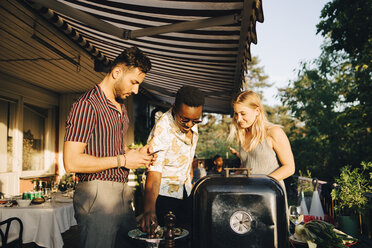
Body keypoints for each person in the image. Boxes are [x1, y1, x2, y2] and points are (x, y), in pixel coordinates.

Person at [63, 46, 155, 248]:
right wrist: (123, 160)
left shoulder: (120, 107)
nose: (136, 90)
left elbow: (117, 151)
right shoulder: (87, 105)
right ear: (116, 72)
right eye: (134, 82)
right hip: (98, 196)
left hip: (123, 195)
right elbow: (71, 162)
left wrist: (134, 155)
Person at [139, 86, 205, 235]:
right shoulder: (163, 129)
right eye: (185, 119)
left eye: (195, 121)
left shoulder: (191, 121)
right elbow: (154, 172)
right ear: (174, 108)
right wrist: (149, 210)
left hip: (185, 193)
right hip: (163, 197)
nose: (189, 125)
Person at [228, 90, 295, 190]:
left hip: (270, 194)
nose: (238, 119)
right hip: (248, 193)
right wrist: (231, 177)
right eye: (236, 114)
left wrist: (261, 184)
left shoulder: (274, 132)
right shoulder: (242, 135)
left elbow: (289, 168)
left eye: (243, 114)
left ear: (257, 111)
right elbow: (248, 165)